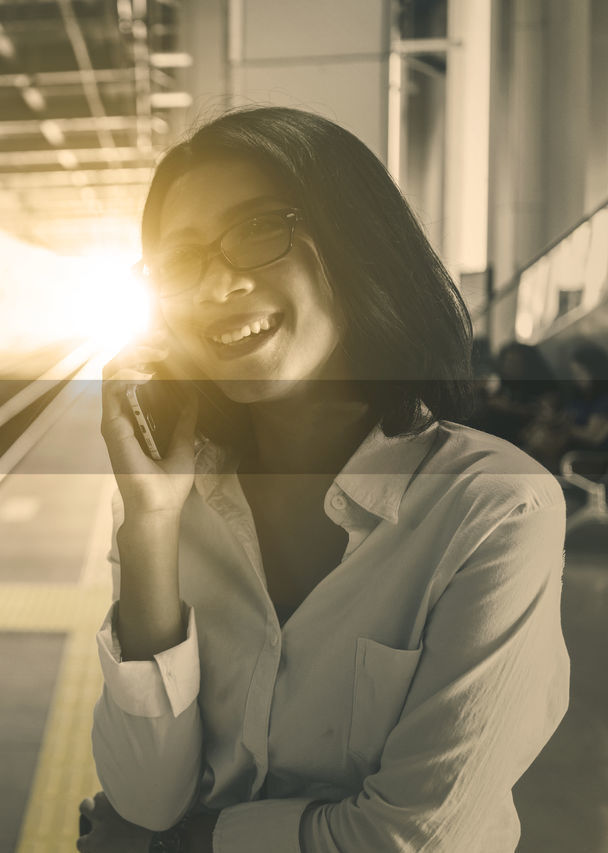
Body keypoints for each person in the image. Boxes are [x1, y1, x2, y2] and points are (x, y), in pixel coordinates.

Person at [81, 107, 569, 853]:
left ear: (355, 245)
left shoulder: (493, 511)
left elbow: (421, 838)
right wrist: (148, 522)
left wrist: (179, 847)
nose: (215, 285)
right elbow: (147, 797)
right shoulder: (174, 501)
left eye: (257, 229)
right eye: (182, 261)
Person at [520, 342, 608, 471]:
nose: (576, 378)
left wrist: (565, 428)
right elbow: (567, 419)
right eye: (574, 373)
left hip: (586, 456)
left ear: (594, 371)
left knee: (540, 443)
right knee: (536, 436)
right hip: (567, 448)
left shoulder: (603, 400)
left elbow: (593, 437)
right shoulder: (580, 399)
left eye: (580, 373)